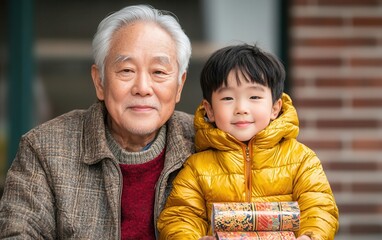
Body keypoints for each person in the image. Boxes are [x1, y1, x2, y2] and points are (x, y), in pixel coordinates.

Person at [0, 4, 194, 239]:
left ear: (179, 85)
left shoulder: (208, 144)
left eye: (159, 72)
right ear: (100, 81)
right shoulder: (44, 149)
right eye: (126, 70)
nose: (143, 88)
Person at [157, 44, 339, 240]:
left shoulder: (302, 160)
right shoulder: (197, 167)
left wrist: (310, 236)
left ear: (275, 108)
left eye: (254, 96)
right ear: (209, 110)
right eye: (227, 98)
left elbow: (320, 208)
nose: (241, 108)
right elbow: (180, 216)